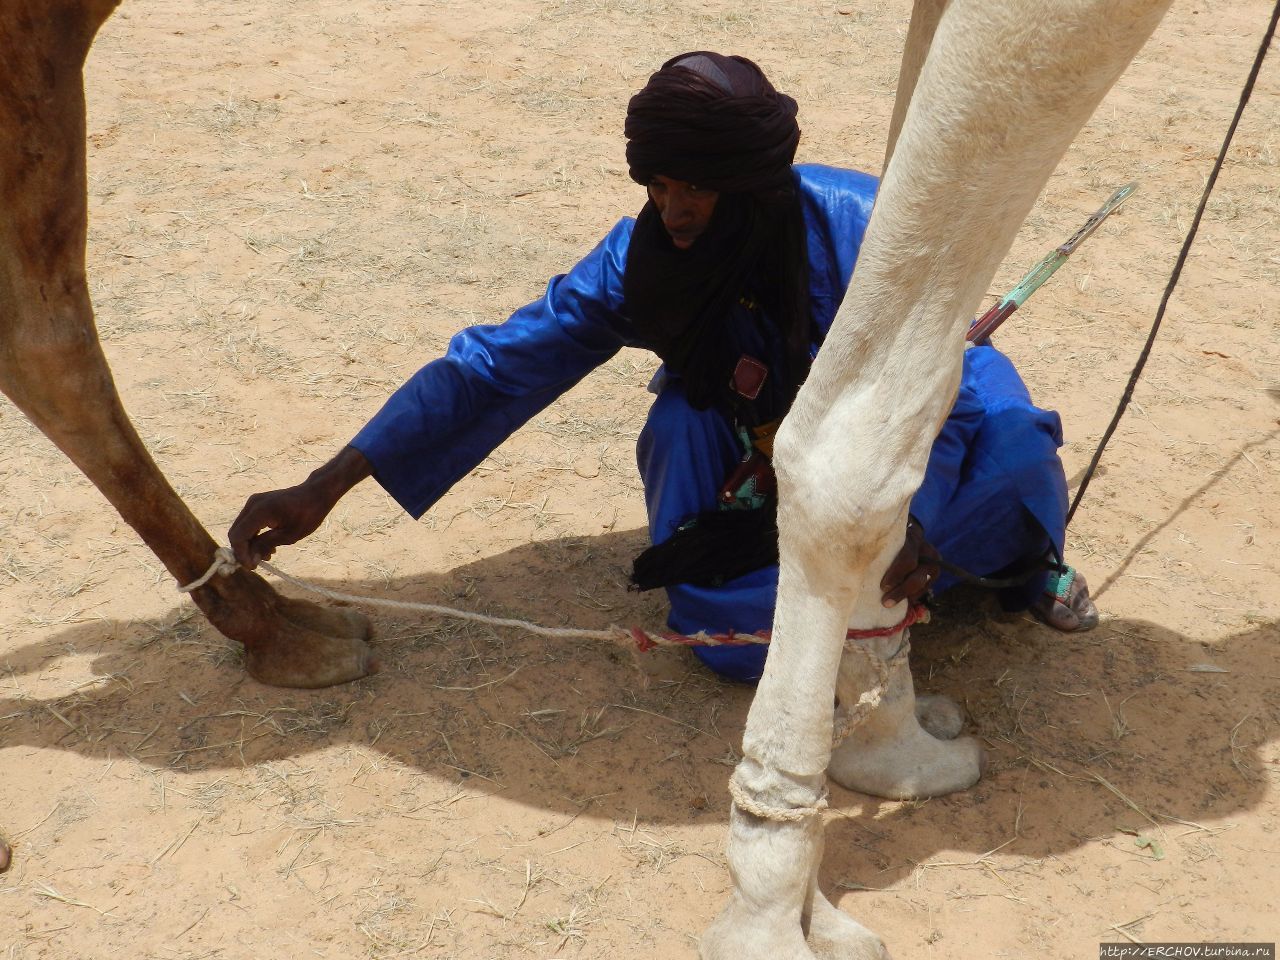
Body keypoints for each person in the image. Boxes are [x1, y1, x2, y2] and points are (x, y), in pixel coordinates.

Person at [229, 51, 1097, 684]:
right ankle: (782, 596)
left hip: (929, 411)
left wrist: (907, 526)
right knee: (685, 442)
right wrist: (326, 483)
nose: (674, 212)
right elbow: (489, 367)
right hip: (761, 435)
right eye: (659, 186)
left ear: (750, 184)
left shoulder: (866, 228)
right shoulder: (642, 263)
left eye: (698, 191)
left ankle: (999, 569)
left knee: (1012, 459)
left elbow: (923, 398)